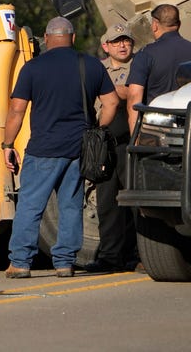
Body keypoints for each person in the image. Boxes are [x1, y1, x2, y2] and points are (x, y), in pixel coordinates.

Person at [2, 17, 118, 278]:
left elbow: (16, 111)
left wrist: (7, 144)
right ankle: (65, 262)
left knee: (31, 206)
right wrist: (96, 130)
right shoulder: (89, 64)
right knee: (71, 206)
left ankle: (20, 262)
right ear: (73, 37)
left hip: (43, 148)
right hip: (79, 148)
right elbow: (111, 103)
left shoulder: (33, 68)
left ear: (46, 37)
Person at [84, 24, 139, 273]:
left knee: (135, 201)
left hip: (131, 142)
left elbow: (131, 93)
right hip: (104, 144)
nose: (122, 45)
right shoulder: (97, 67)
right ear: (106, 45)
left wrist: (111, 90)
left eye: (126, 40)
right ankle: (109, 256)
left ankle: (137, 253)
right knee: (107, 202)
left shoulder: (139, 65)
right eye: (116, 41)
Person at [126, 3, 191, 133]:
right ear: (178, 24)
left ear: (155, 25)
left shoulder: (145, 55)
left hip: (158, 132)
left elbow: (134, 98)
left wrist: (136, 140)